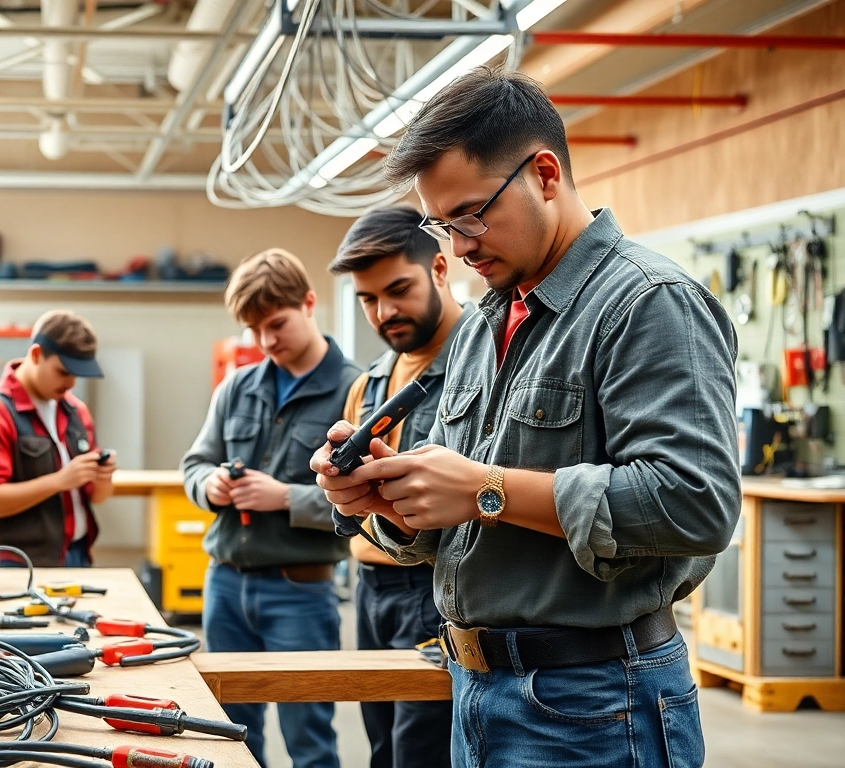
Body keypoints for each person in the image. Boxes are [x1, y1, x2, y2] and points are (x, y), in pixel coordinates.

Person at [313, 67, 739, 768]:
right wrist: (390, 499)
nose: (459, 247)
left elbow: (696, 505)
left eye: (473, 215)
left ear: (545, 174)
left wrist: (487, 489)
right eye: (442, 225)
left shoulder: (647, 303)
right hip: (477, 692)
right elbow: (458, 520)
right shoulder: (485, 323)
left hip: (595, 705)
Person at [182, 248, 360, 768]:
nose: (266, 342)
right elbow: (194, 463)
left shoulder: (353, 389)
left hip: (300, 591)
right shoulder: (238, 386)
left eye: (276, 324)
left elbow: (368, 504)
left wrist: (285, 498)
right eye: (254, 330)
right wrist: (208, 484)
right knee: (230, 732)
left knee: (308, 735)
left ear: (309, 303)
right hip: (225, 585)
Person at [328, 206, 467, 768]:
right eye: (368, 299)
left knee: (421, 751)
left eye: (398, 289)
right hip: (372, 586)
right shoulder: (373, 380)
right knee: (382, 743)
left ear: (439, 268)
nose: (384, 312)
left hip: (436, 590)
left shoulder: (484, 365)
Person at [0, 310, 114, 567]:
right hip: (17, 564)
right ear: (35, 355)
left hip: (75, 555)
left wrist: (103, 477)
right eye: (62, 371)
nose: (71, 383)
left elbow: (97, 497)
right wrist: (59, 481)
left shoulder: (76, 411)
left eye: (76, 374)